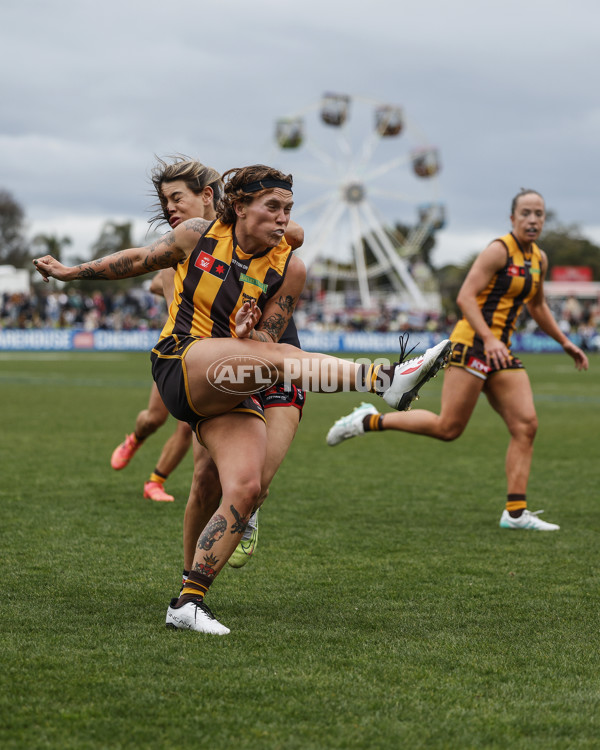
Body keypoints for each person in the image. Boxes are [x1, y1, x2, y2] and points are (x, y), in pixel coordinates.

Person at [33, 163, 451, 634]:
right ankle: (383, 380)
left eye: (288, 209)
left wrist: (248, 329)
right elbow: (137, 260)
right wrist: (70, 273)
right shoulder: (199, 234)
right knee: (282, 364)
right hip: (180, 362)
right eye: (272, 207)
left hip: (235, 381)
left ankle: (188, 602)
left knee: (247, 489)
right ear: (239, 207)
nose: (283, 219)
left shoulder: (291, 267)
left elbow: (268, 343)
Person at [327, 189, 589, 531]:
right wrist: (490, 338)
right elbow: (465, 297)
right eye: (526, 213)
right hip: (472, 345)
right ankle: (367, 420)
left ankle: (515, 514)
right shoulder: (498, 250)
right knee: (448, 428)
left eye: (539, 213)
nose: (533, 219)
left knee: (526, 426)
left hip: (501, 352)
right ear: (512, 218)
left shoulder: (539, 259)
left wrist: (566, 342)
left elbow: (537, 306)